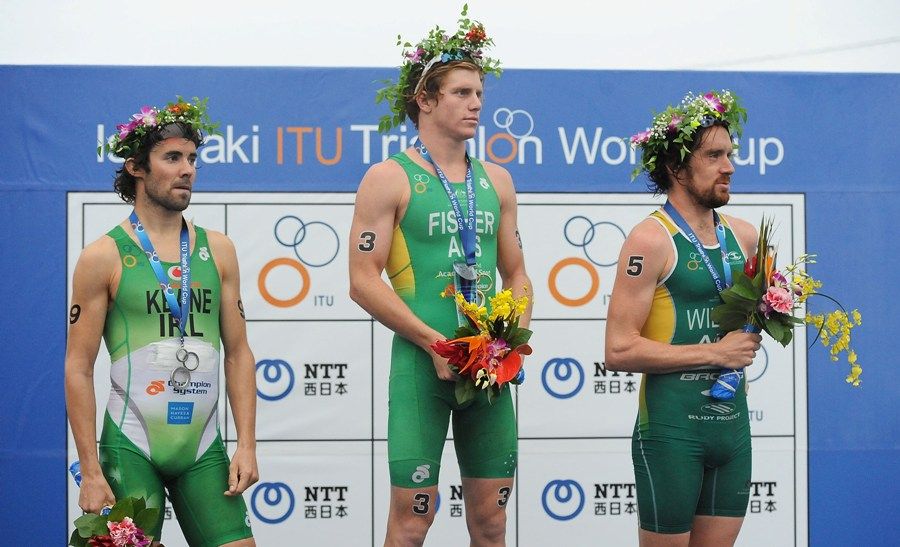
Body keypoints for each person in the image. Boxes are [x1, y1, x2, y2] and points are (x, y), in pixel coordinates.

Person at [349, 8, 532, 547]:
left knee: (492, 523)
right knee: (411, 525)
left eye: (479, 92)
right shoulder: (388, 178)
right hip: (421, 367)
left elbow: (517, 271)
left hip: (488, 370)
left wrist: (508, 338)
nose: (476, 103)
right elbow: (362, 280)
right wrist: (434, 344)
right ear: (424, 100)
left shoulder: (497, 179)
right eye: (460, 92)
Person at [65, 97, 258, 546]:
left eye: (192, 158)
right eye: (172, 158)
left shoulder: (219, 249)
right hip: (130, 447)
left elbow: (239, 353)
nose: (187, 169)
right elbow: (77, 366)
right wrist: (90, 470)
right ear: (136, 167)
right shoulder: (103, 256)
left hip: (202, 449)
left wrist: (246, 444)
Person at [605, 90, 763, 547]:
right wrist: (715, 352)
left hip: (731, 430)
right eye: (714, 155)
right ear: (676, 167)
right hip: (673, 433)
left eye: (729, 154)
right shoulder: (649, 240)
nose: (728, 166)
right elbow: (617, 349)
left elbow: (755, 321)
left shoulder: (746, 237)